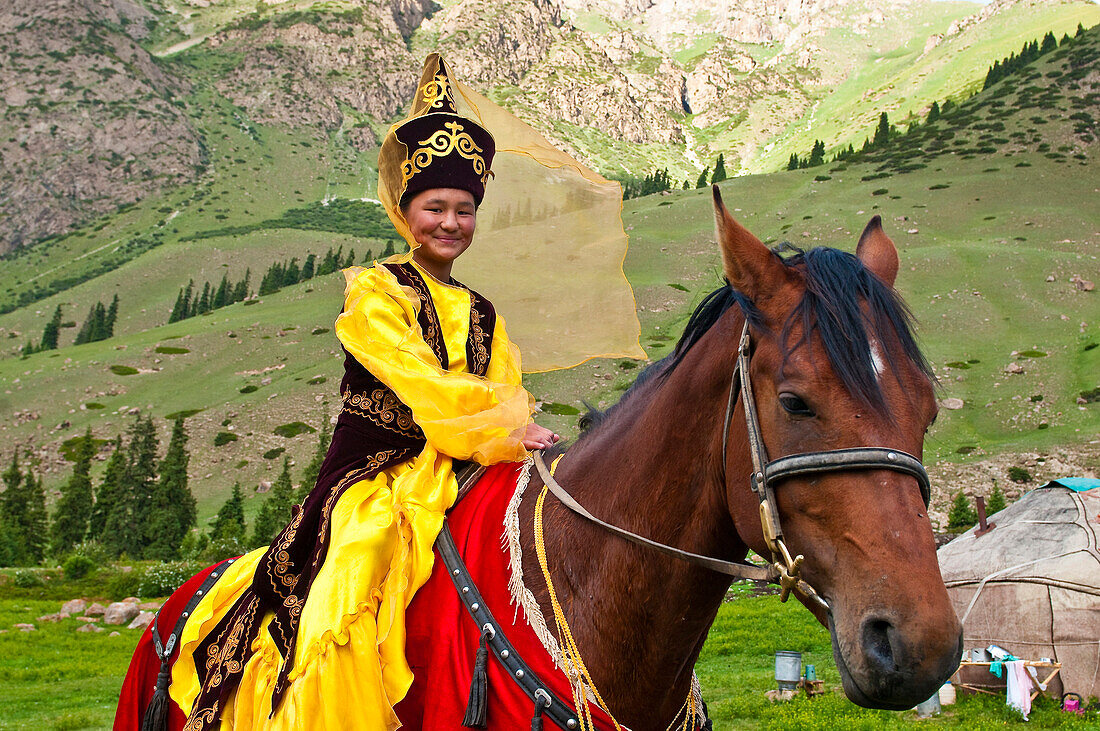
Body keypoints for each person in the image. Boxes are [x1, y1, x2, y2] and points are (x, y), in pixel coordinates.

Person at [169, 55, 558, 730]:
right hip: (373, 474)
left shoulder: (486, 312)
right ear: (405, 211)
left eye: (464, 210)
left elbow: (506, 385)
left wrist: (519, 429)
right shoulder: (375, 290)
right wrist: (501, 427)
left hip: (462, 467)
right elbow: (420, 381)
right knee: (361, 560)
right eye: (435, 207)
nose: (451, 222)